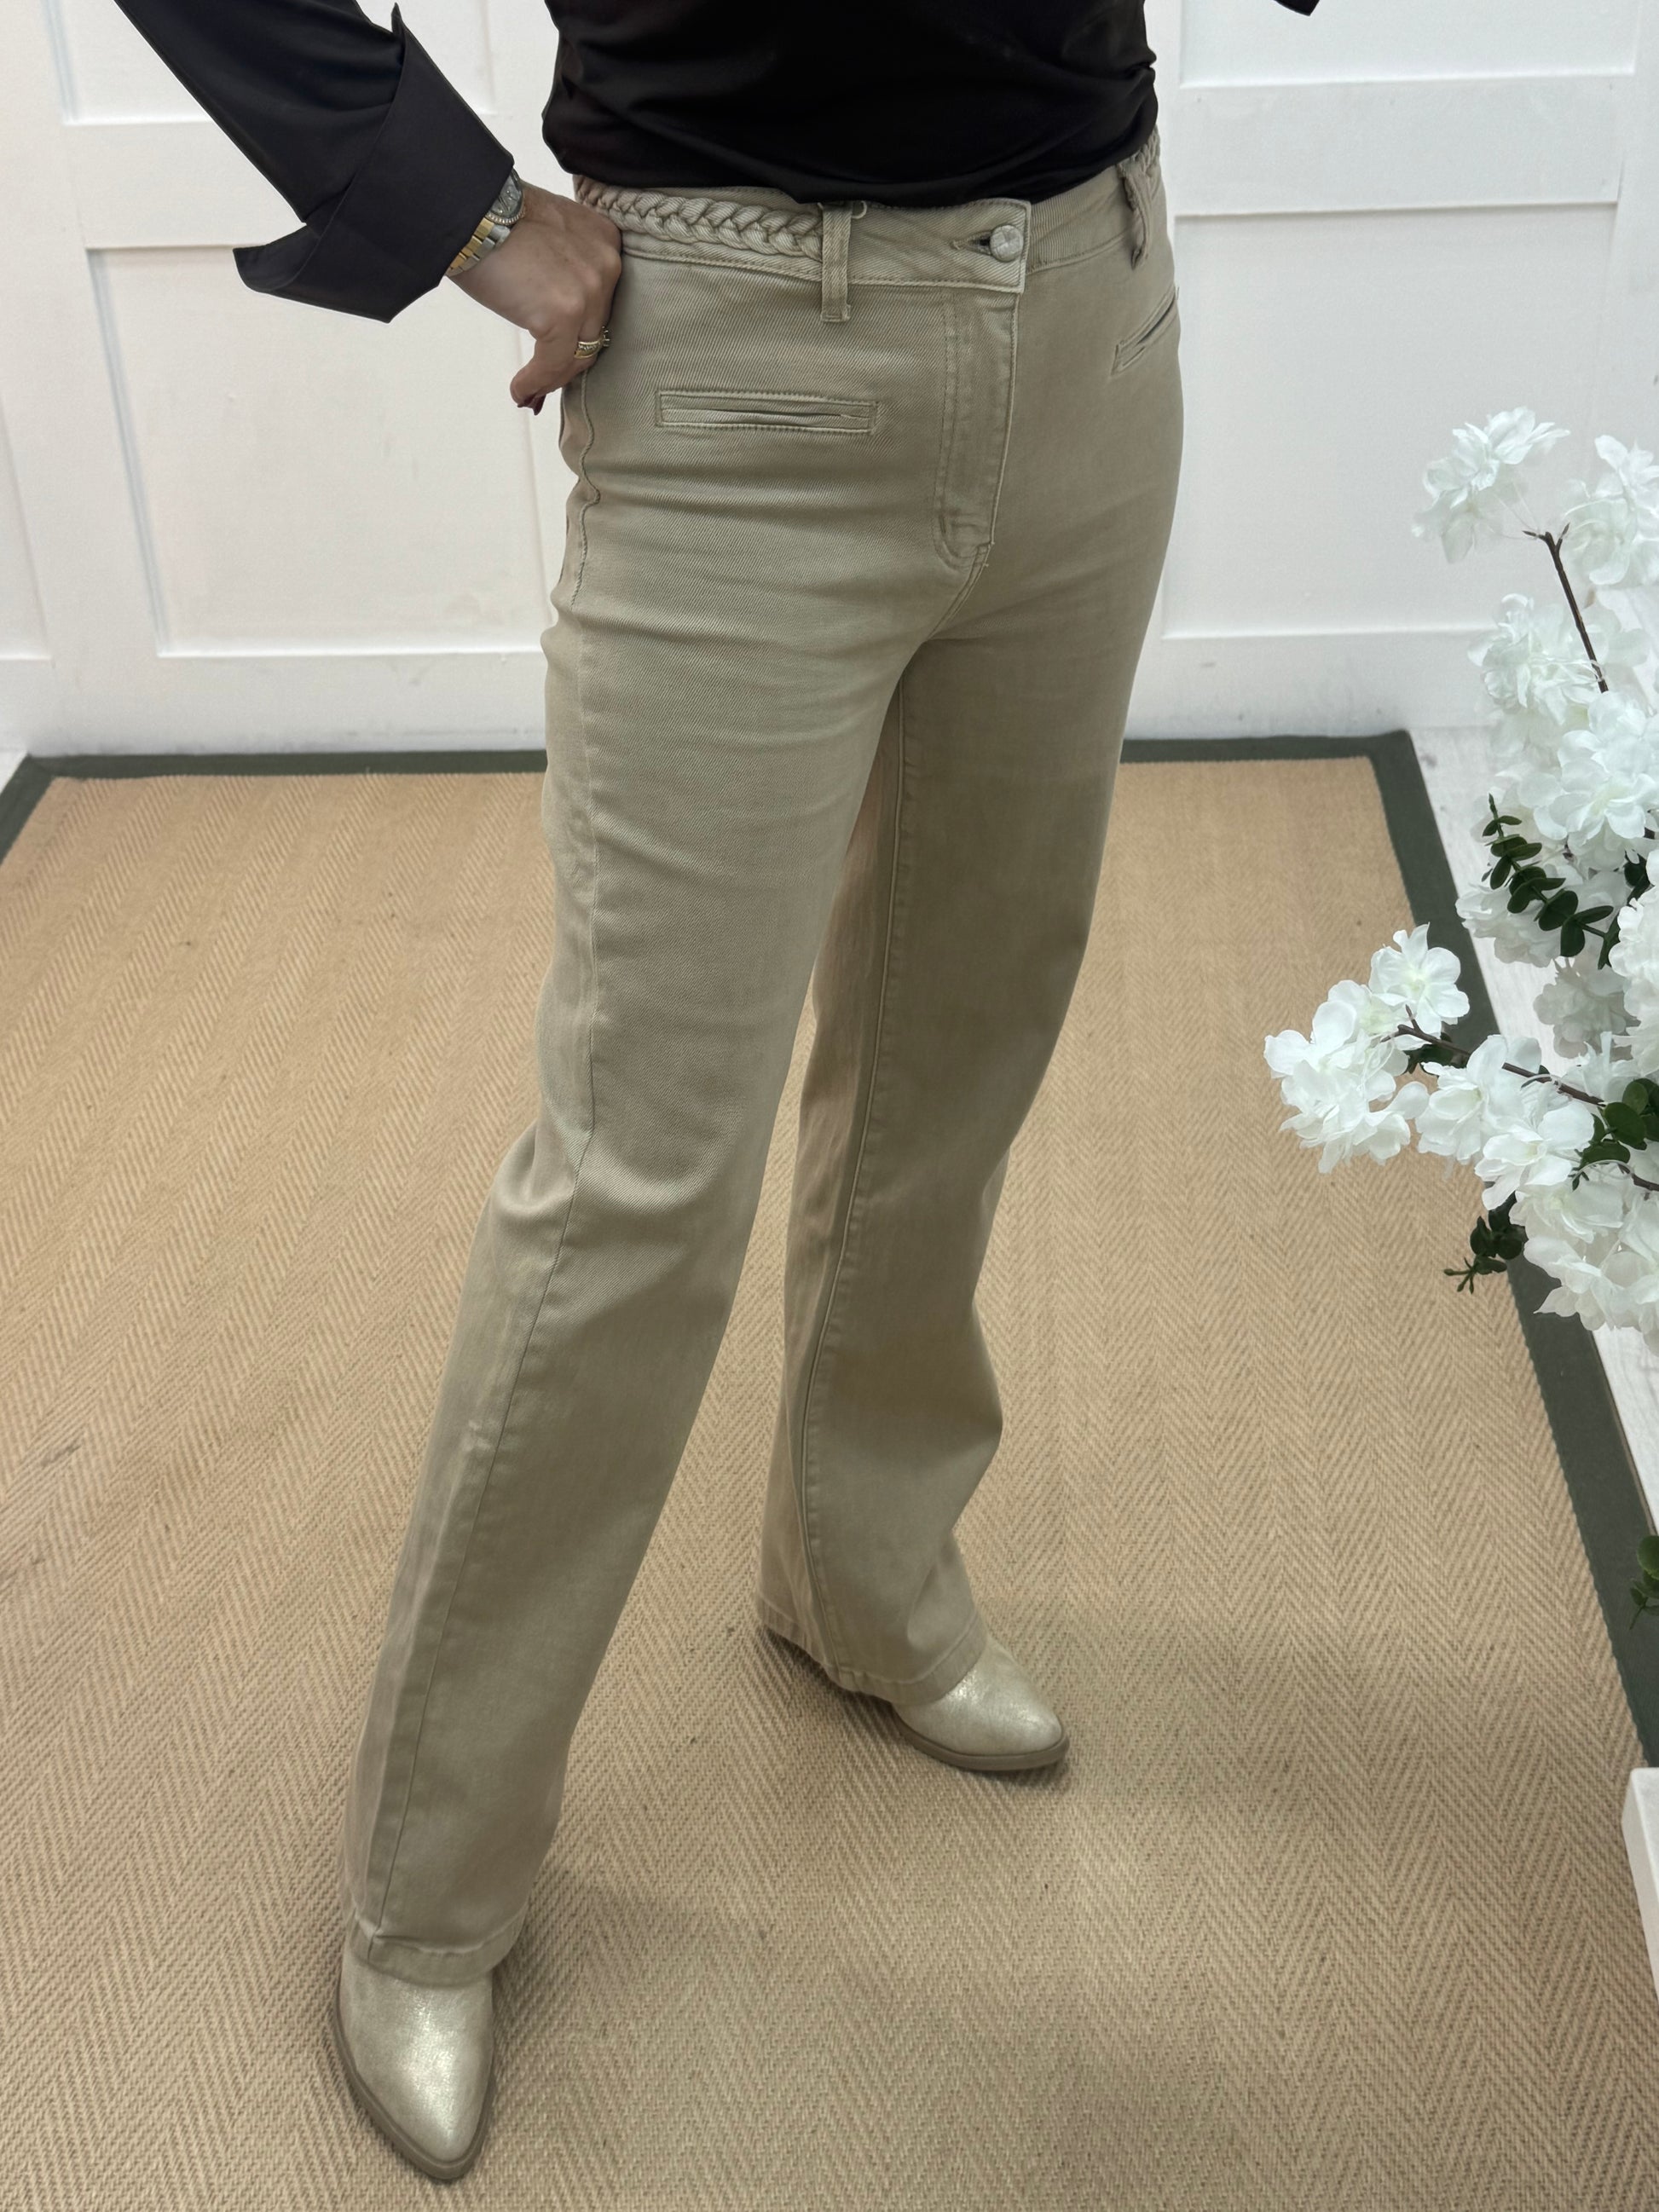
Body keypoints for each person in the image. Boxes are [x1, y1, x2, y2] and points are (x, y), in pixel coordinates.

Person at [107, 0, 1320, 2181]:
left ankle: (861, 1571)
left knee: (965, 1031)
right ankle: (430, 1879)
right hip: (735, 369)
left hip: (1093, 306)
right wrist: (453, 203)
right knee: (637, 1177)